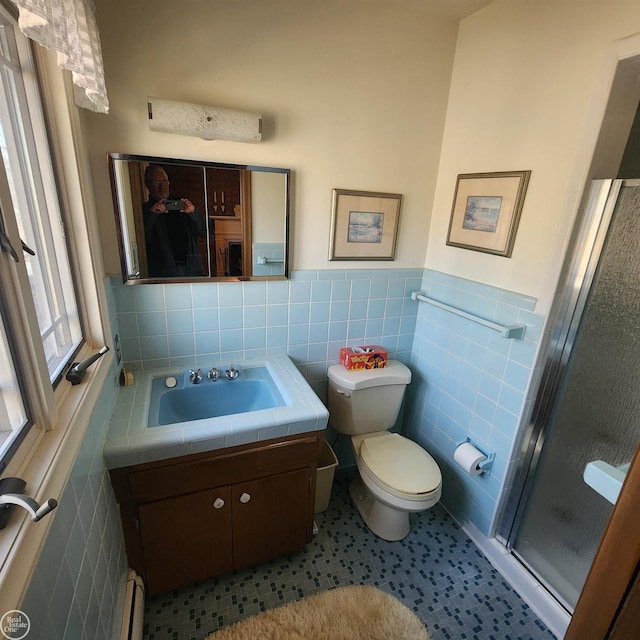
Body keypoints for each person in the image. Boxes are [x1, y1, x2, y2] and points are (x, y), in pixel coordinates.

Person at [142, 164, 207, 277]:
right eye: (157, 183)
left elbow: (206, 231)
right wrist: (152, 215)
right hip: (164, 273)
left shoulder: (181, 205)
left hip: (192, 269)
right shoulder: (145, 211)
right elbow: (141, 241)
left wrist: (193, 213)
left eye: (165, 182)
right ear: (148, 185)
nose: (162, 187)